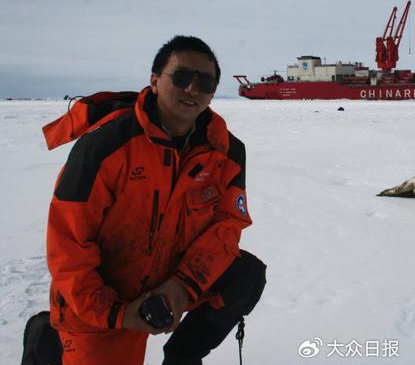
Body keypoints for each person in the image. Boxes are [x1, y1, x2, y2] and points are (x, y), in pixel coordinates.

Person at [41, 35, 266, 365]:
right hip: (106, 295)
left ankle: (183, 357)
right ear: (155, 80)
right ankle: (45, 343)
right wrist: (115, 313)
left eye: (204, 82)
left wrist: (182, 286)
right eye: (181, 77)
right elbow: (68, 243)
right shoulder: (105, 146)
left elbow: (227, 227)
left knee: (245, 276)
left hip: (172, 280)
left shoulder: (227, 152)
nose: (192, 89)